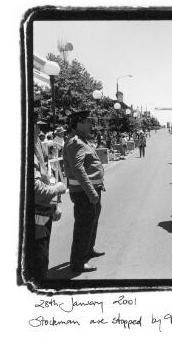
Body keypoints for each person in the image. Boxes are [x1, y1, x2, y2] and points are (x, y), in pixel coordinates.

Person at [63, 110, 105, 274]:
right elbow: (78, 170)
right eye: (87, 121)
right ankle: (78, 263)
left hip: (91, 190)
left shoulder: (82, 140)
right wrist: (91, 192)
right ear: (78, 123)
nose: (90, 124)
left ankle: (88, 250)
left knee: (92, 223)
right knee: (83, 227)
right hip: (84, 193)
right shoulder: (75, 142)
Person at [32, 122, 67, 281]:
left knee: (41, 257)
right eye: (35, 125)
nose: (39, 130)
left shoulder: (37, 144)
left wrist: (54, 206)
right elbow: (38, 191)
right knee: (38, 263)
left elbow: (45, 176)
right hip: (36, 216)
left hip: (43, 212)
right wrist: (59, 188)